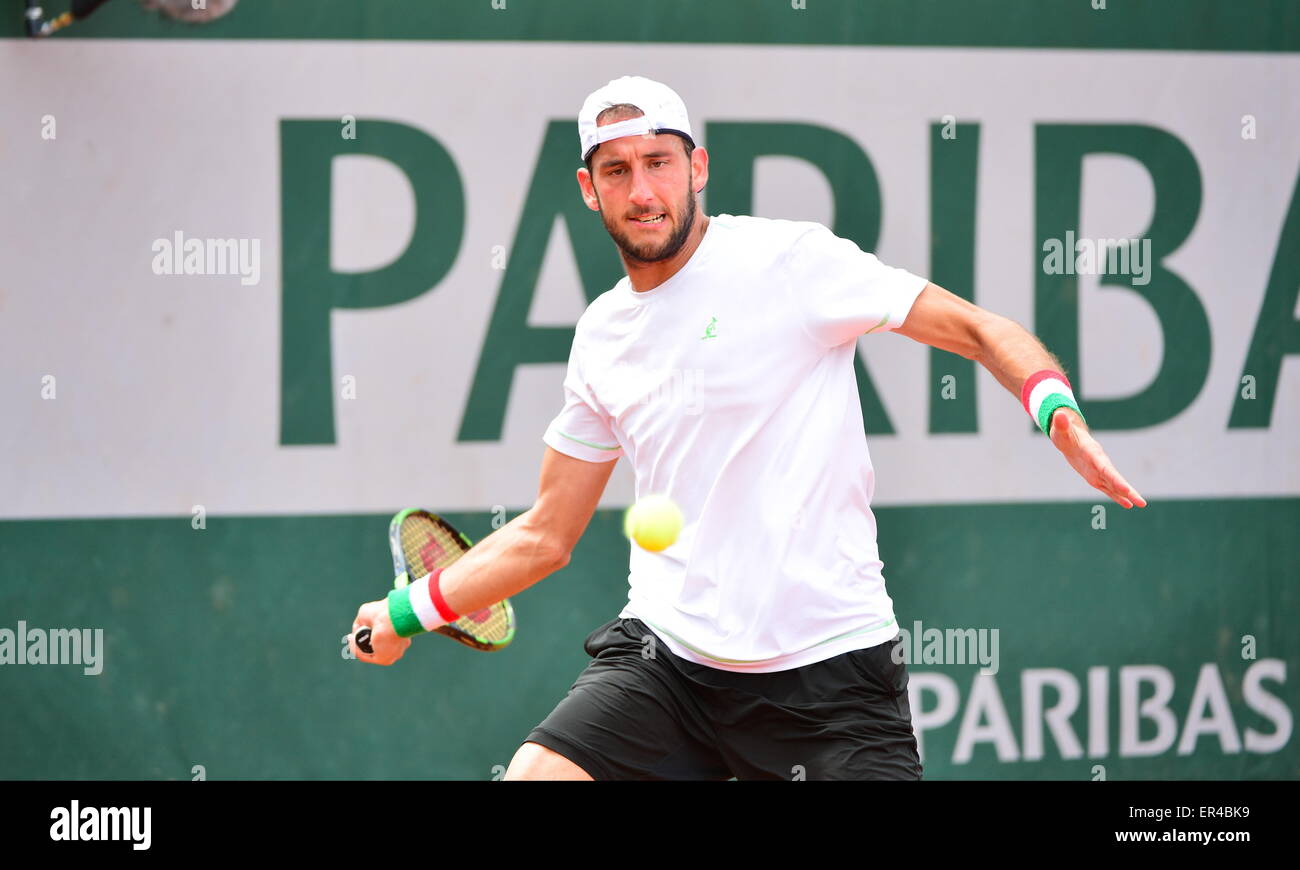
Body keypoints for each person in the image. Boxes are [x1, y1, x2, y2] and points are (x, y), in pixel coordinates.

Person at [348, 76, 1147, 780]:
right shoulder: (601, 335)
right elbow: (546, 535)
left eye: (659, 161)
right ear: (590, 190)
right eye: (617, 170)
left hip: (831, 682)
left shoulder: (791, 263)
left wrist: (1054, 408)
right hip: (668, 666)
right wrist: (407, 611)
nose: (643, 190)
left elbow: (976, 329)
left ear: (697, 167)